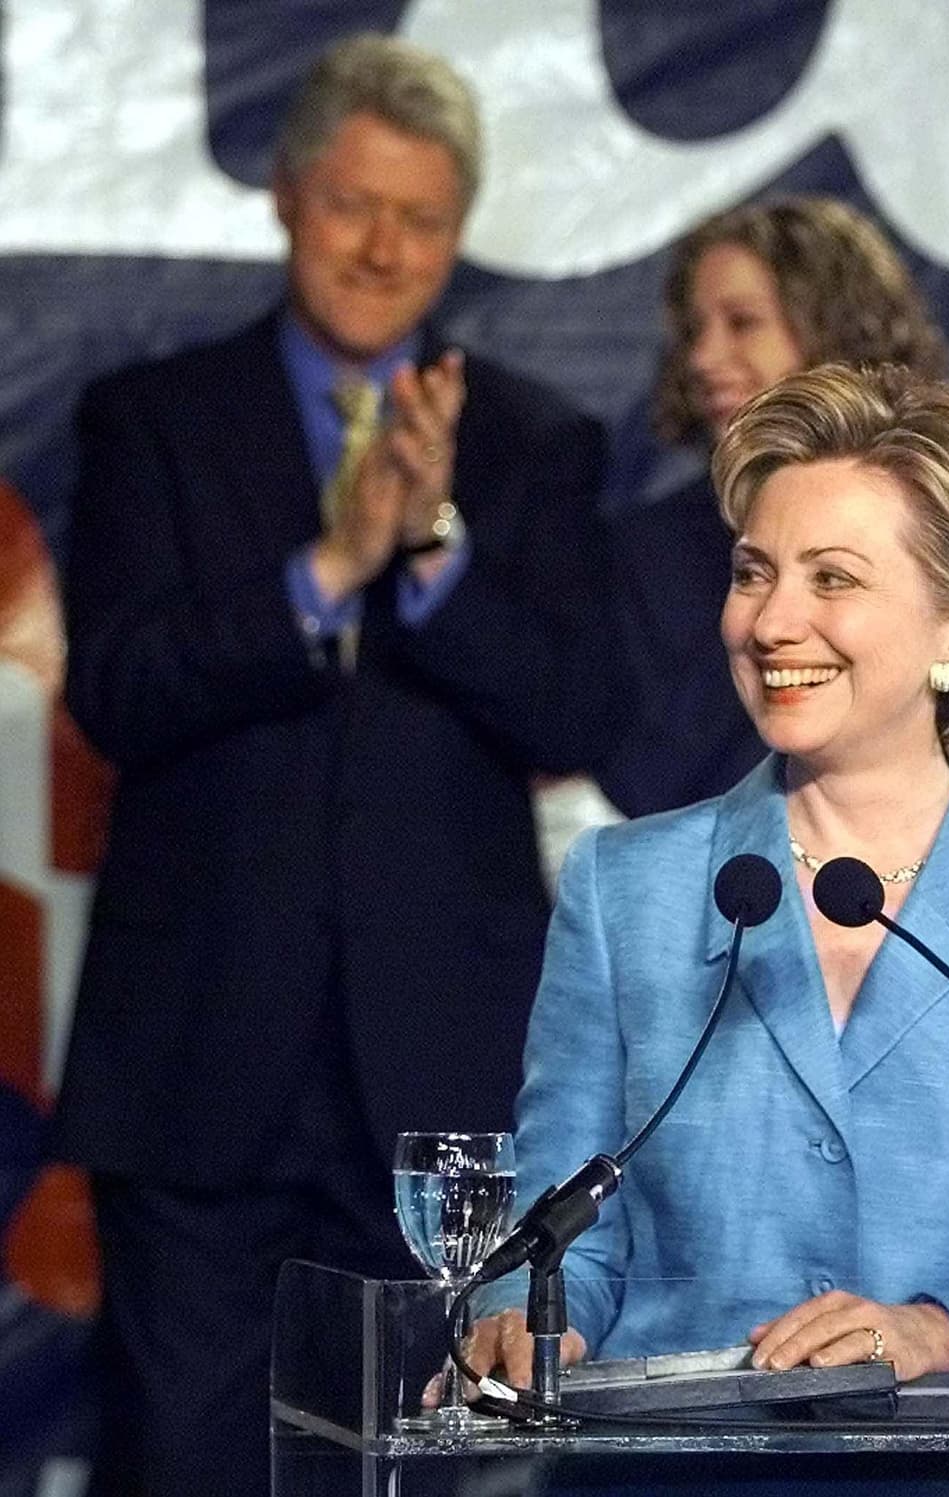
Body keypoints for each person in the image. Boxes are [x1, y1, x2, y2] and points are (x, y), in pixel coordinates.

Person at [52, 33, 625, 1497]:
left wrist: (429, 551)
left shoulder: (532, 444)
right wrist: (331, 563)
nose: (384, 248)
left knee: (436, 1471)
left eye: (421, 218)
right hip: (200, 1062)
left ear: (456, 235)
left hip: (439, 1085)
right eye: (355, 206)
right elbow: (118, 688)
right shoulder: (153, 423)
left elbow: (579, 710)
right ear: (288, 200)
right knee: (182, 1462)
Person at [468, 364, 949, 1495]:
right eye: (752, 573)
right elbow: (562, 1236)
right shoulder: (627, 892)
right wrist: (527, 1319)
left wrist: (938, 1330)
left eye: (831, 579)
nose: (770, 621)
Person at [600, 196, 949, 818]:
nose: (703, 359)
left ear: (834, 330)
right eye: (694, 331)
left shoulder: (931, 517)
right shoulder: (648, 550)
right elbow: (643, 778)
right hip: (723, 898)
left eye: (743, 322)